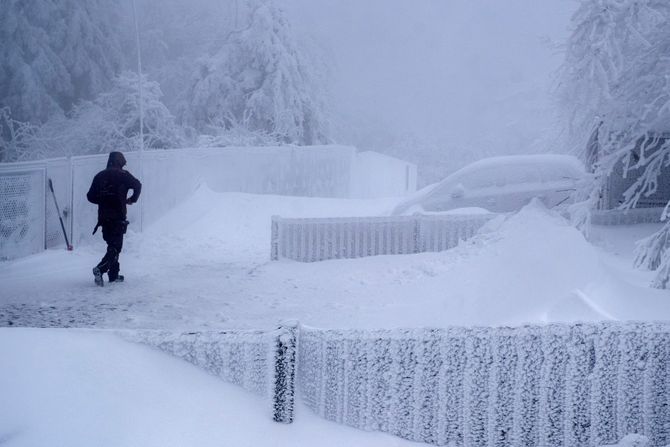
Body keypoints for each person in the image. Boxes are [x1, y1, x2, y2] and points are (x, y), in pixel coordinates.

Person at [87, 151, 142, 286]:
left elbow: (90, 196)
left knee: (112, 244)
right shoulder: (123, 175)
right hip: (118, 216)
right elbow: (138, 185)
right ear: (120, 162)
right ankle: (100, 268)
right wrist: (131, 200)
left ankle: (113, 275)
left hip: (104, 217)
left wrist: (103, 200)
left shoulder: (99, 176)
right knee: (116, 246)